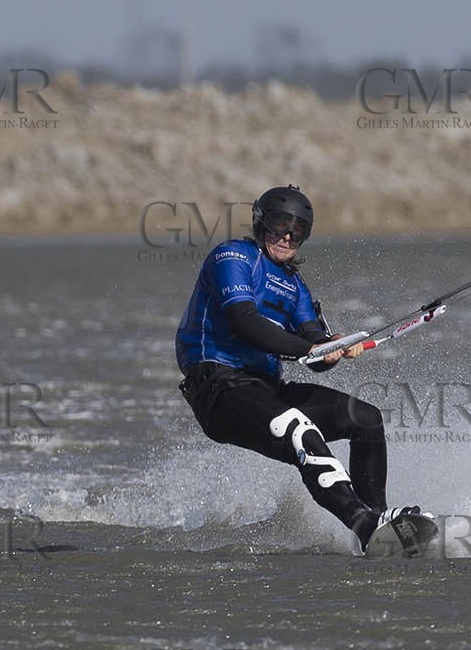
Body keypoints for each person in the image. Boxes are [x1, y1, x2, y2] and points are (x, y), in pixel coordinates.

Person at [175, 185, 432, 555]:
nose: (287, 236)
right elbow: (244, 320)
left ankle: (379, 523)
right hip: (219, 388)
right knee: (298, 427)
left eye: (297, 231)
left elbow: (313, 349)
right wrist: (312, 347)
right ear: (261, 223)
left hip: (265, 391)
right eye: (280, 225)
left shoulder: (295, 287)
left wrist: (335, 346)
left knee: (365, 418)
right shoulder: (233, 256)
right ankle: (364, 526)